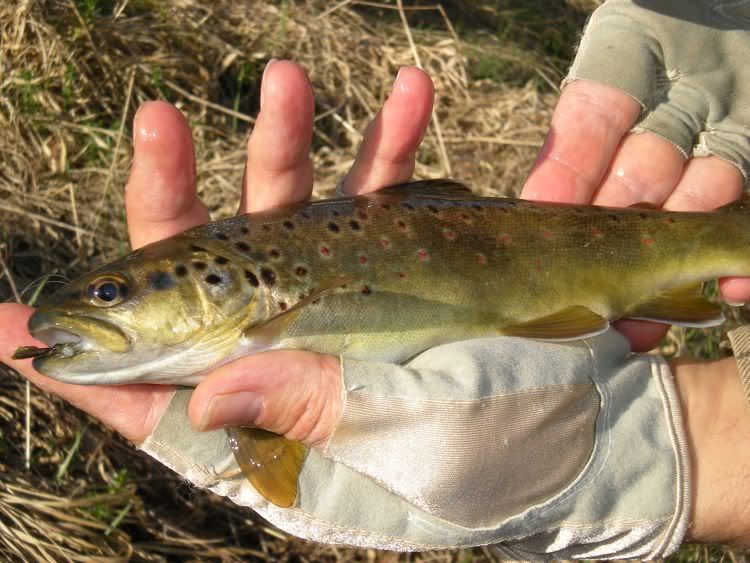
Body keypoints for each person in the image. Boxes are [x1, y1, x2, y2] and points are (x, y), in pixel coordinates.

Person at [1, 0, 749, 557]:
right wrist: (697, 443)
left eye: (109, 295)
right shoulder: (240, 347)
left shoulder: (256, 325)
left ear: (230, 282)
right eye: (106, 293)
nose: (88, 309)